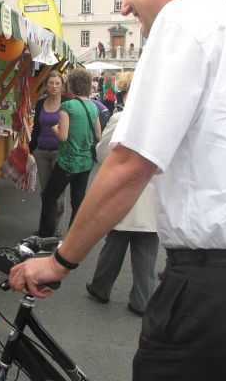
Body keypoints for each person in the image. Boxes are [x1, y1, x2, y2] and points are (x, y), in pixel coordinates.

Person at [9, 0, 226, 381]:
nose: (123, 6)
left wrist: (60, 262)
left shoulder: (182, 21)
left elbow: (130, 164)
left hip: (215, 284)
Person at [85, 72, 158, 318]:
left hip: (125, 192)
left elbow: (104, 153)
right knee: (146, 253)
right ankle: (142, 300)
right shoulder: (163, 121)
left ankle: (100, 288)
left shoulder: (121, 119)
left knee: (113, 247)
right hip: (151, 195)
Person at [37, 68, 100, 238]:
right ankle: (73, 238)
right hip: (85, 162)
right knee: (78, 201)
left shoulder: (67, 106)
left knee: (49, 196)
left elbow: (63, 136)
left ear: (70, 85)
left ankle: (45, 236)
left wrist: (55, 128)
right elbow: (98, 135)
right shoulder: (93, 106)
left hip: (67, 161)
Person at [28, 70, 70, 236]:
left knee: (58, 193)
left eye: (57, 83)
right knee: (45, 192)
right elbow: (36, 128)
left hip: (60, 152)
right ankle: (44, 229)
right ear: (46, 85)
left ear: (62, 86)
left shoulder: (67, 103)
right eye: (51, 83)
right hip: (42, 152)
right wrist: (32, 147)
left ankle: (56, 230)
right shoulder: (40, 103)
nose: (54, 86)